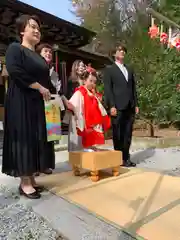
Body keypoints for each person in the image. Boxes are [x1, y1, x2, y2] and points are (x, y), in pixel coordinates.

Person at [2, 14, 55, 199]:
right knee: (24, 137)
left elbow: (48, 81)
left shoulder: (39, 58)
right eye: (32, 26)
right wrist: (38, 87)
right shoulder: (15, 48)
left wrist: (61, 99)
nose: (36, 30)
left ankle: (31, 178)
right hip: (21, 99)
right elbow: (15, 70)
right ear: (22, 30)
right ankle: (24, 182)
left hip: (37, 102)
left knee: (35, 138)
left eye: (38, 28)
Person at [36, 43, 74, 175]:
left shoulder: (54, 72)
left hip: (53, 104)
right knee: (39, 135)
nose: (48, 54)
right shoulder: (35, 68)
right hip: (39, 103)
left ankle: (46, 164)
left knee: (51, 136)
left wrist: (65, 101)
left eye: (50, 52)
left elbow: (59, 90)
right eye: (45, 51)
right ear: (39, 54)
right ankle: (36, 165)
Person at [103, 44, 139, 167]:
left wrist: (136, 104)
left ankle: (126, 158)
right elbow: (108, 89)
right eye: (119, 50)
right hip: (117, 106)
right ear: (114, 54)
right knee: (117, 133)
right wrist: (111, 105)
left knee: (128, 133)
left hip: (130, 106)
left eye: (124, 50)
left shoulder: (129, 69)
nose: (122, 52)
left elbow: (133, 88)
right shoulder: (109, 70)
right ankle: (118, 159)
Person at [68, 69, 110, 150]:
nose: (93, 84)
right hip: (82, 121)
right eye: (90, 81)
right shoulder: (80, 92)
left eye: (94, 82)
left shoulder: (93, 94)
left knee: (90, 145)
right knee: (80, 147)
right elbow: (72, 105)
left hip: (92, 122)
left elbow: (101, 109)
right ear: (84, 81)